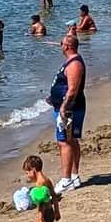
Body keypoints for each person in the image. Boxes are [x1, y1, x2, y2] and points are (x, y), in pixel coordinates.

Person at [47, 35, 87, 194]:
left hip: (70, 109)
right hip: (67, 107)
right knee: (71, 140)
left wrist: (63, 110)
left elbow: (72, 90)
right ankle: (74, 176)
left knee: (64, 142)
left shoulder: (75, 64)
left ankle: (66, 180)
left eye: (61, 43)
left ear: (67, 46)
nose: (60, 45)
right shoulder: (71, 62)